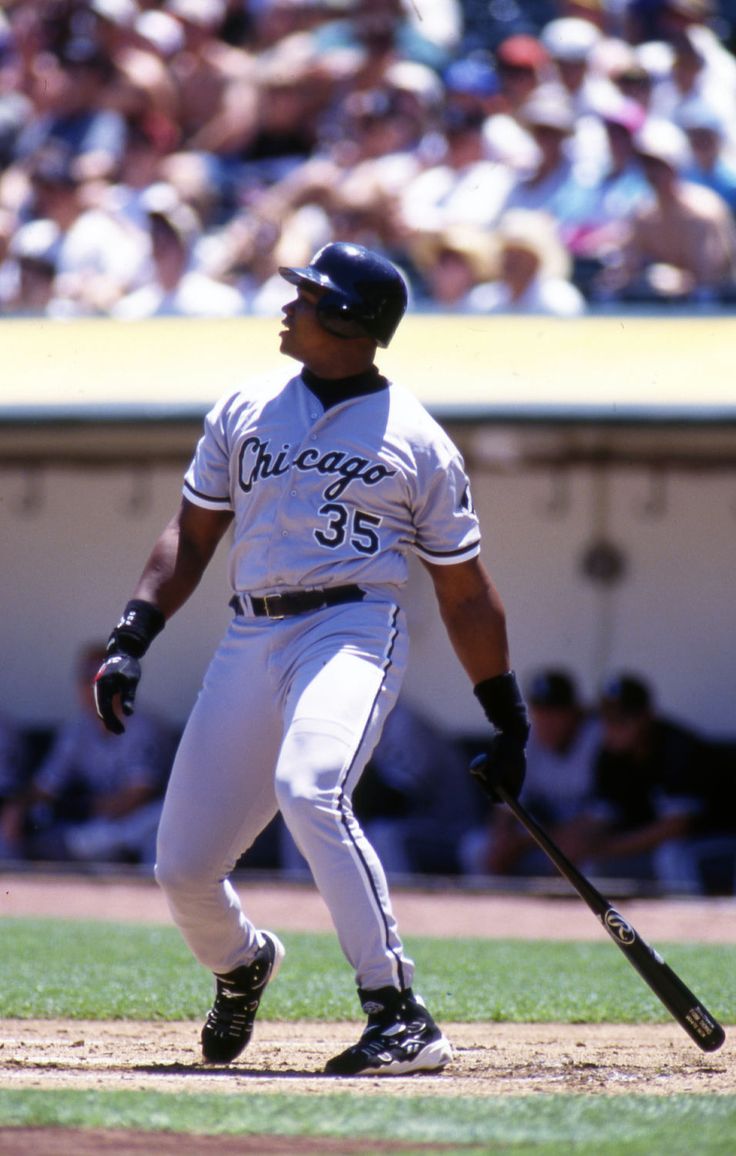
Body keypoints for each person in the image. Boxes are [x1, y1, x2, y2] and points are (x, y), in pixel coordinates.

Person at [92, 240, 530, 1077]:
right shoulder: (246, 406)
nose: (289, 304)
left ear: (350, 320)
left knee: (310, 788)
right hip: (251, 632)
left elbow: (466, 592)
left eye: (310, 295)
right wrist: (132, 634)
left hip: (351, 628)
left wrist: (505, 713)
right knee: (182, 868)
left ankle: (399, 1011)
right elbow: (191, 536)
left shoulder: (418, 440)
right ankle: (243, 964)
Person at [2, 643, 174, 864]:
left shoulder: (143, 726)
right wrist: (18, 807)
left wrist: (79, 807)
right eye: (85, 678)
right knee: (26, 829)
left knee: (152, 823)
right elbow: (45, 787)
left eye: (99, 677)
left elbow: (137, 797)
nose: (91, 686)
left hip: (143, 823)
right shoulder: (78, 729)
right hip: (100, 824)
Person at [554, 673, 714, 890]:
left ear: (646, 716)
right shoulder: (611, 755)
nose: (611, 729)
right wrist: (571, 840)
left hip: (712, 836)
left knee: (671, 856)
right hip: (646, 840)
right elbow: (601, 815)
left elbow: (677, 826)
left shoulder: (676, 748)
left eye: (620, 720)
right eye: (605, 719)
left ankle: (693, 920)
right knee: (585, 855)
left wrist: (606, 847)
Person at [460, 668, 600, 876]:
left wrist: (523, 842)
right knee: (477, 847)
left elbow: (602, 818)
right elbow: (505, 808)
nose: (546, 721)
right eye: (540, 711)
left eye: (555, 712)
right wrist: (503, 838)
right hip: (539, 839)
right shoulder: (528, 738)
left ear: (574, 712)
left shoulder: (597, 739)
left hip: (584, 839)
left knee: (584, 857)